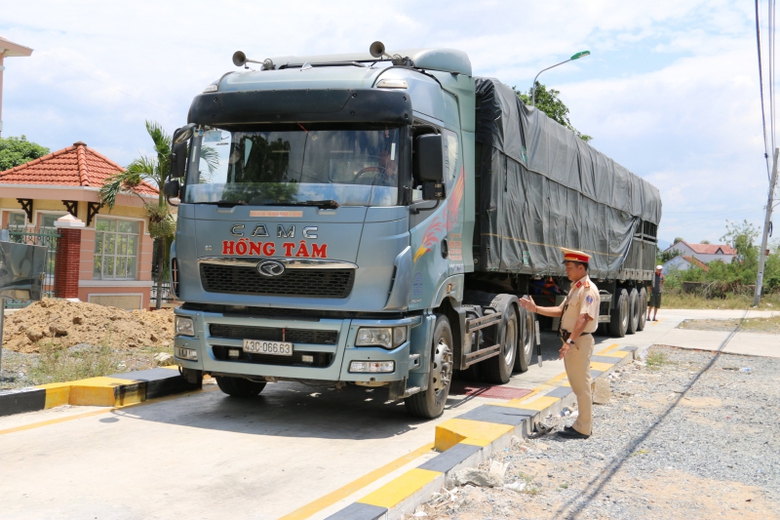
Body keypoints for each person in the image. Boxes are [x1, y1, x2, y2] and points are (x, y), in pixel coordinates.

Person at [519, 248, 600, 439]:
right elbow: (560, 310)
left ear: (581, 268)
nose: (566, 271)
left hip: (579, 342)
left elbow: (584, 318)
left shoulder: (587, 289)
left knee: (582, 386)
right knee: (579, 386)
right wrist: (535, 308)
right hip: (575, 342)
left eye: (570, 267)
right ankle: (582, 425)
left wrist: (569, 341)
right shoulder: (576, 288)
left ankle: (583, 428)